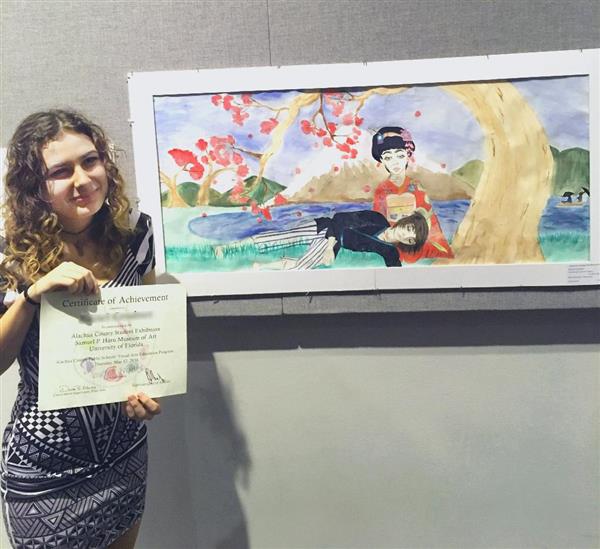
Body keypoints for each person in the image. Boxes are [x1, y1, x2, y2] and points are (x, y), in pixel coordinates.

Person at [0, 110, 161, 549]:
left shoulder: (136, 236)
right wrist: (31, 296)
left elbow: (144, 338)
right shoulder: (9, 254)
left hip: (124, 449)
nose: (83, 180)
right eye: (60, 171)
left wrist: (147, 388)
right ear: (34, 186)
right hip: (45, 462)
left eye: (90, 161)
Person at [215, 209, 429, 270]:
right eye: (410, 229)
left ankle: (260, 267)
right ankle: (229, 247)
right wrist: (329, 246)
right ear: (405, 222)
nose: (405, 235)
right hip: (326, 228)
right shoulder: (377, 218)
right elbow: (340, 219)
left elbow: (397, 275)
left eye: (411, 239)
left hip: (332, 245)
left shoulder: (389, 251)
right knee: (282, 237)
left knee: (302, 268)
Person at [371, 126, 453, 261]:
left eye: (400, 155)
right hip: (393, 239)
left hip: (416, 238)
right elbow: (377, 223)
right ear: (382, 159)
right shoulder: (381, 190)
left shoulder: (416, 186)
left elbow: (430, 221)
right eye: (388, 157)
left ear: (407, 156)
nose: (395, 162)